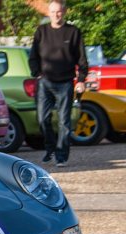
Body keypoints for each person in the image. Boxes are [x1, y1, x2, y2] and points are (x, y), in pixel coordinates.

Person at [28, 0, 87, 167]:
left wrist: (81, 80)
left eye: (59, 12)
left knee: (64, 122)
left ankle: (61, 156)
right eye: (53, 12)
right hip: (45, 82)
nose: (56, 15)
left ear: (65, 12)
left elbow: (82, 59)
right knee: (42, 119)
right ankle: (50, 148)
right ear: (49, 13)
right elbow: (33, 56)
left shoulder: (73, 32)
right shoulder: (41, 31)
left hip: (65, 83)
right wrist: (37, 74)